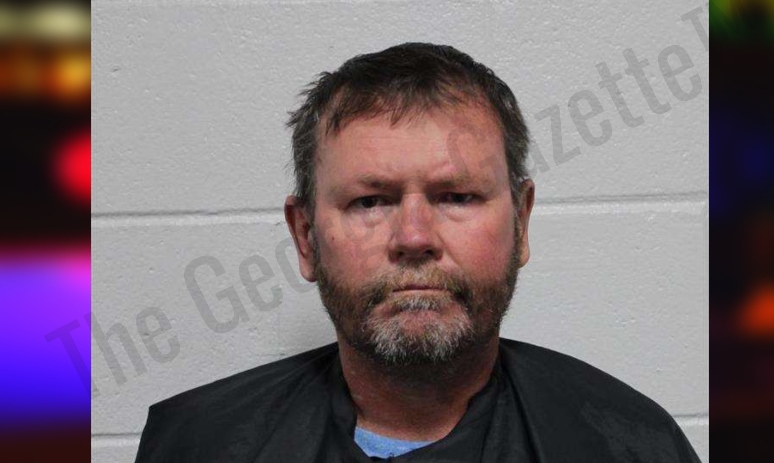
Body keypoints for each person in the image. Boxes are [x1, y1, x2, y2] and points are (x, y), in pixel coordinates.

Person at [135, 43, 701, 462]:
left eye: (457, 197)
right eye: (370, 201)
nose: (413, 238)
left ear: (521, 223)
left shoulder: (633, 447)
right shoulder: (196, 445)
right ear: (305, 236)